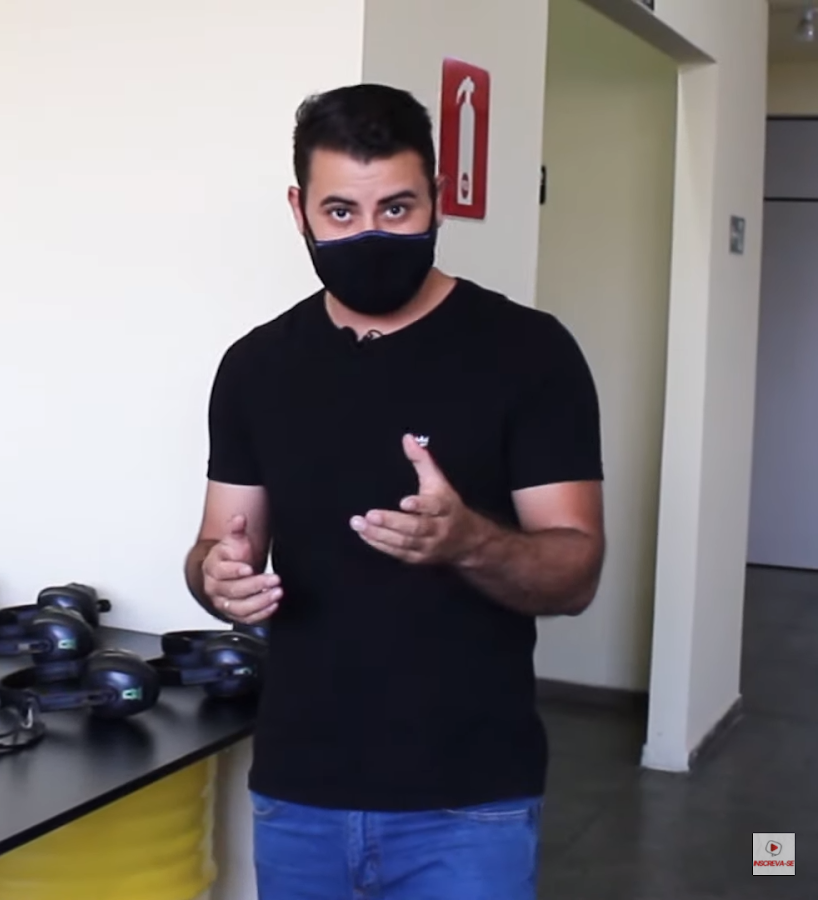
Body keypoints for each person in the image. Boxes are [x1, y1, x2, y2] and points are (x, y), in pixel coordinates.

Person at [183, 83, 606, 899]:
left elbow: (576, 573)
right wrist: (216, 577)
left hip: (468, 802)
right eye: (341, 212)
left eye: (397, 208)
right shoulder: (256, 367)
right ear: (300, 210)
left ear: (437, 201)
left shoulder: (530, 352)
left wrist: (469, 541)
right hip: (298, 793)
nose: (369, 234)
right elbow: (215, 547)